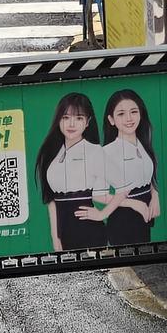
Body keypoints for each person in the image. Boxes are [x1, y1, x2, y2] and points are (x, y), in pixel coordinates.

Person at [35, 93, 108, 253]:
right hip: (64, 235)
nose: (71, 123)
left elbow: (109, 194)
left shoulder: (95, 151)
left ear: (88, 122)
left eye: (79, 118)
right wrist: (55, 238)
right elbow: (51, 200)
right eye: (66, 117)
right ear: (58, 119)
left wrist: (103, 213)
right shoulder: (52, 153)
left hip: (91, 233)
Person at [88, 89, 160, 247]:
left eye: (133, 111)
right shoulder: (107, 152)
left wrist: (155, 196)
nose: (129, 118)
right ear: (111, 120)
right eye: (121, 114)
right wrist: (134, 204)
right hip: (123, 220)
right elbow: (98, 195)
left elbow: (148, 175)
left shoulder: (144, 143)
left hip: (145, 216)